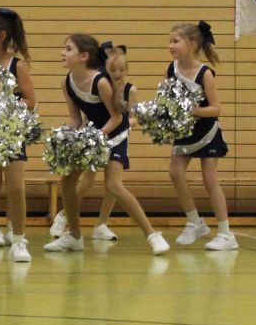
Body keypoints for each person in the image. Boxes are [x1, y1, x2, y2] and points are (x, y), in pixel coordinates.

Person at [45, 34, 169, 255]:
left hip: (114, 134)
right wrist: (65, 134)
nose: (63, 52)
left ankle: (152, 235)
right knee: (67, 182)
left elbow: (117, 117)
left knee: (113, 185)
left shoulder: (100, 81)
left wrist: (96, 137)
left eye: (68, 49)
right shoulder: (66, 82)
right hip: (92, 135)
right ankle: (74, 236)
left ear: (84, 56)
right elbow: (75, 118)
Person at [48, 44, 133, 242]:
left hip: (118, 135)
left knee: (113, 183)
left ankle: (102, 224)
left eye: (121, 69)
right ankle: (64, 214)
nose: (117, 73)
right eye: (112, 69)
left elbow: (131, 115)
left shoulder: (129, 89)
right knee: (87, 179)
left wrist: (130, 123)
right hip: (95, 136)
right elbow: (87, 114)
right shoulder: (101, 83)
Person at [167, 21, 238, 251]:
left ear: (192, 43)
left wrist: (192, 111)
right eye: (170, 41)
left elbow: (216, 109)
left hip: (207, 131)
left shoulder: (205, 73)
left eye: (175, 41)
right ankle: (194, 222)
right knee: (175, 173)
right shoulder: (171, 69)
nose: (170, 46)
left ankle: (226, 234)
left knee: (210, 180)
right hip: (184, 131)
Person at [0, 8, 36, 263]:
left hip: (10, 130)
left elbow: (30, 101)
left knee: (15, 184)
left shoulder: (17, 65)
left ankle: (19, 237)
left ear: (0, 36)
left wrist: (6, 105)